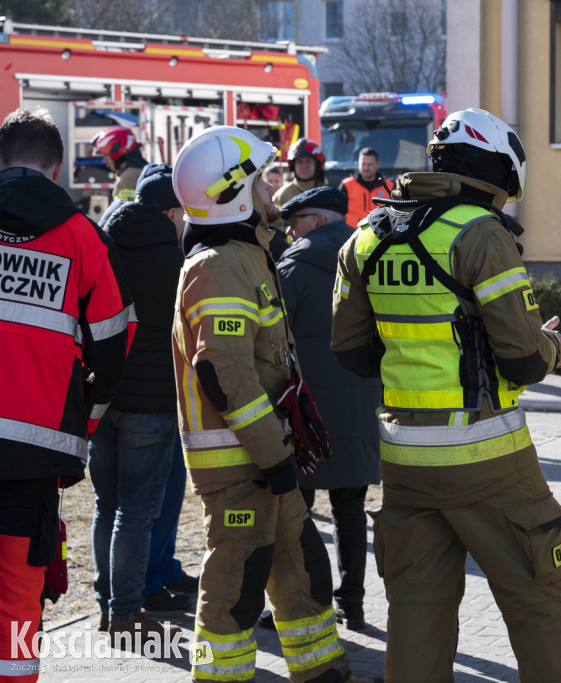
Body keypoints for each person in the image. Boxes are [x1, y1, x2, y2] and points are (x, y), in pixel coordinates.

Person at [331, 108, 561, 682]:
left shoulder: (368, 235)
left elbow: (351, 353)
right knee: (546, 602)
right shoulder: (480, 233)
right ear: (498, 173)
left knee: (416, 614)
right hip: (488, 461)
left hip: (404, 464)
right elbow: (523, 359)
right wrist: (551, 346)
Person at [171, 125, 372, 683]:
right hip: (241, 464)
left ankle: (323, 672)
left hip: (265, 458)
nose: (271, 190)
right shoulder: (218, 266)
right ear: (232, 193)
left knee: (303, 569)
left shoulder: (247, 255)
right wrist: (272, 456)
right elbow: (225, 373)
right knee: (234, 590)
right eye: (261, 181)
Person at [0, 107, 135, 680]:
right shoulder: (83, 238)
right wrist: (81, 422)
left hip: (34, 450)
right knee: (17, 598)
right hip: (33, 455)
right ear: (56, 168)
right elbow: (114, 343)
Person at [267, 187, 381, 633]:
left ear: (317, 220)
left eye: (295, 222)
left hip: (306, 411)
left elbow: (274, 338)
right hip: (361, 403)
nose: (290, 231)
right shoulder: (371, 258)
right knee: (349, 510)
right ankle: (352, 604)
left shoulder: (292, 267)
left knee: (297, 511)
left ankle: (303, 603)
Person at [90, 163, 192, 645]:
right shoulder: (176, 263)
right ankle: (125, 614)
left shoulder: (104, 246)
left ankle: (105, 604)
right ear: (170, 212)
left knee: (105, 505)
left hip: (102, 399)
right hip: (151, 404)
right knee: (135, 512)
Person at [92, 125, 148, 227]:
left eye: (106, 156)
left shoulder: (127, 178)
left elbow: (127, 218)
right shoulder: (136, 171)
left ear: (116, 153)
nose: (104, 161)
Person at [338, 147, 393, 228]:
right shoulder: (346, 185)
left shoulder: (389, 187)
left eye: (370, 164)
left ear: (377, 165)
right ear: (358, 163)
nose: (366, 168)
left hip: (379, 233)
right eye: (363, 164)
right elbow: (338, 213)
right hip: (352, 232)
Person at [273, 137, 327, 207]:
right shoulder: (282, 196)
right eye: (300, 162)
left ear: (317, 165)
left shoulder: (327, 193)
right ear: (293, 166)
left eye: (308, 161)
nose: (304, 166)